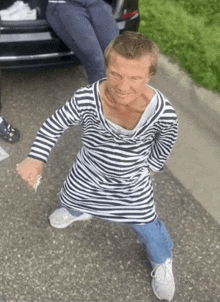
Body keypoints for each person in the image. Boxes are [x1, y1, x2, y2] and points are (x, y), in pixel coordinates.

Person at [17, 31, 178, 301]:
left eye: (135, 78)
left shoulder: (163, 113)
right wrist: (36, 157)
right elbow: (54, 124)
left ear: (150, 76)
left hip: (131, 182)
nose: (122, 86)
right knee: (70, 198)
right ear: (106, 68)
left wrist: (149, 168)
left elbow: (165, 143)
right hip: (88, 172)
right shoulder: (86, 98)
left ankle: (162, 263)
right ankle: (78, 211)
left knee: (148, 228)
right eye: (115, 74)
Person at [46, 0, 119, 84]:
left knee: (115, 55)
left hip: (96, 3)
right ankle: (100, 95)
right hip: (66, 5)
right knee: (96, 60)